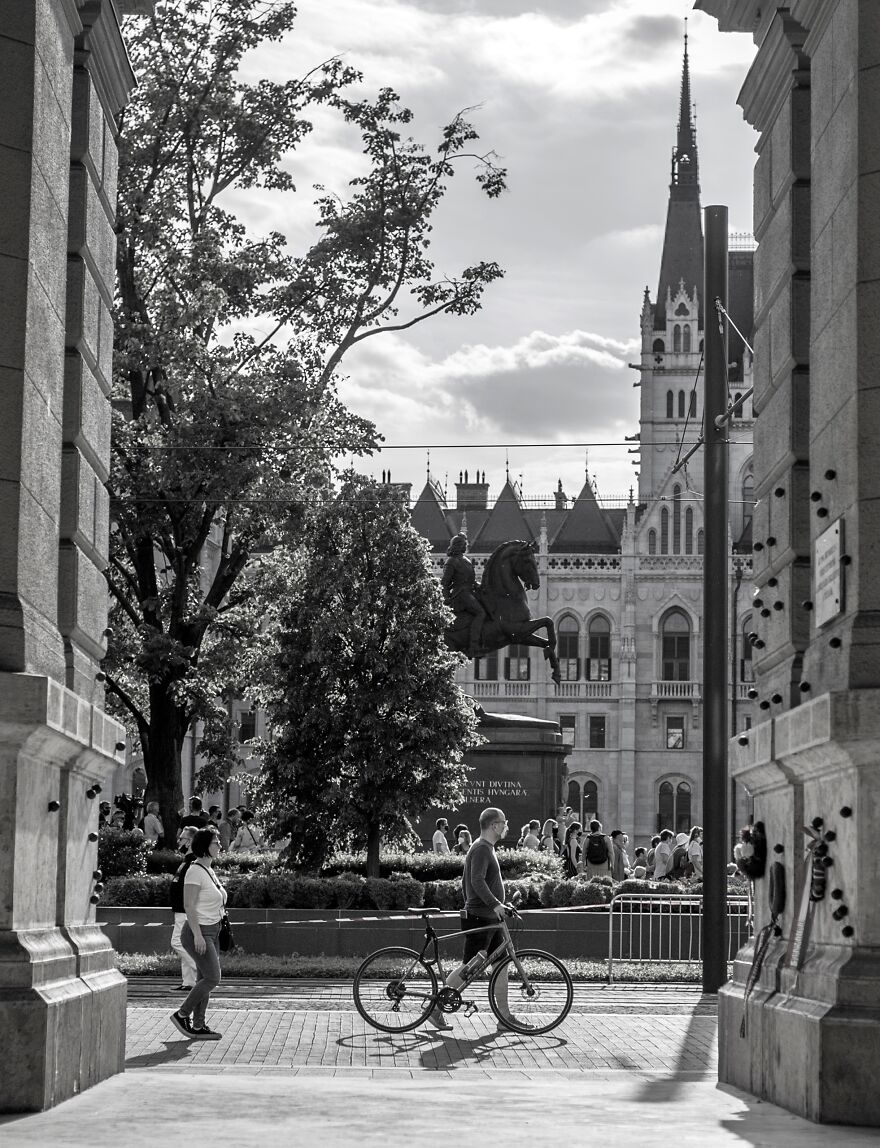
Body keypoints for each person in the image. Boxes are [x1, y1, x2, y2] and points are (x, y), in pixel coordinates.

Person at [429, 806, 533, 1032]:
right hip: (481, 918)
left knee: (501, 965)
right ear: (494, 825)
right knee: (469, 967)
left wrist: (497, 905)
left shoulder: (485, 848)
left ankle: (504, 1018)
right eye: (504, 822)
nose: (506, 826)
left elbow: (467, 882)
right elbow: (476, 880)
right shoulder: (481, 849)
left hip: (489, 918)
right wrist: (494, 904)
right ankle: (434, 1009)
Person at [170, 826, 227, 1041]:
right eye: (216, 842)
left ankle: (199, 1025)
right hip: (199, 931)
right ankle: (182, 1014)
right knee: (212, 977)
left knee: (204, 978)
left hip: (213, 930)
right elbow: (189, 905)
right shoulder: (194, 870)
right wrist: (198, 935)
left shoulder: (208, 869)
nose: (220, 845)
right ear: (205, 846)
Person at [441, 533, 486, 656]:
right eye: (464, 544)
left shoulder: (466, 560)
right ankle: (473, 646)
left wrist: (481, 586)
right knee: (480, 613)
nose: (466, 546)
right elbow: (444, 583)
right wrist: (446, 598)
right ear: (458, 545)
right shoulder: (451, 561)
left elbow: (471, 580)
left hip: (469, 591)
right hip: (460, 594)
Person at [169, 827, 198, 991]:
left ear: (190, 841)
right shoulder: (187, 860)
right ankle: (189, 982)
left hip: (184, 909)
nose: (179, 841)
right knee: (185, 943)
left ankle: (199, 968)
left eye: (182, 838)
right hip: (181, 909)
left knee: (177, 942)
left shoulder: (192, 861)